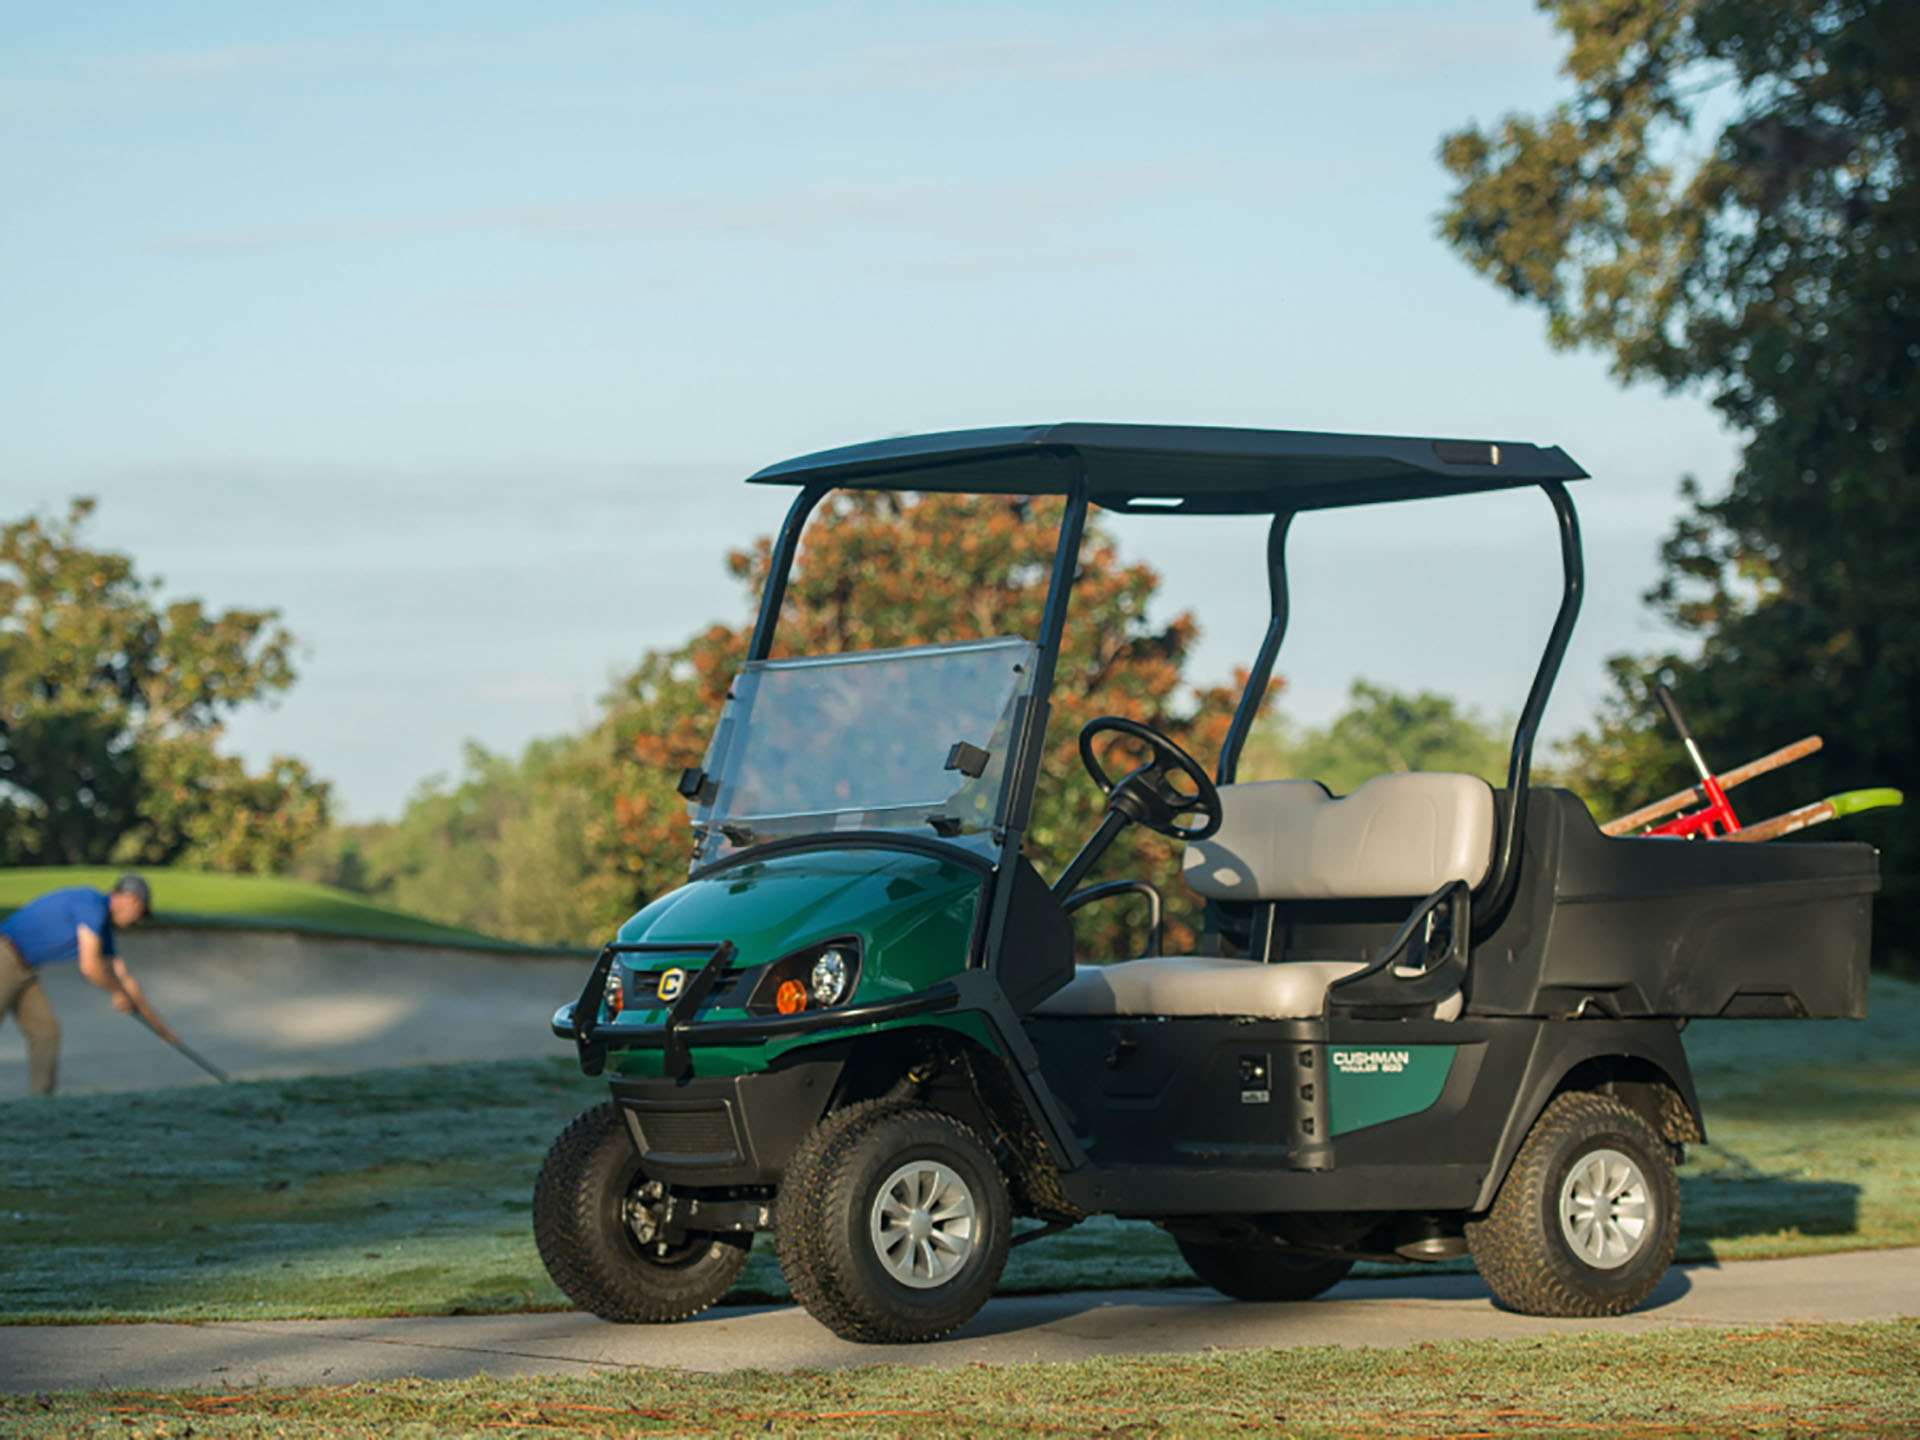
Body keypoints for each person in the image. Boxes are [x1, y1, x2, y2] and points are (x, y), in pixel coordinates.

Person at [0, 874, 177, 1095]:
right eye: (140, 913)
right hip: (4, 955)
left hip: (24, 969)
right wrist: (116, 993)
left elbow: (125, 979)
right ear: (132, 900)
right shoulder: (91, 903)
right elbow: (90, 966)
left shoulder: (103, 928)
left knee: (46, 1033)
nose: (137, 921)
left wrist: (160, 1028)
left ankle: (39, 1105)